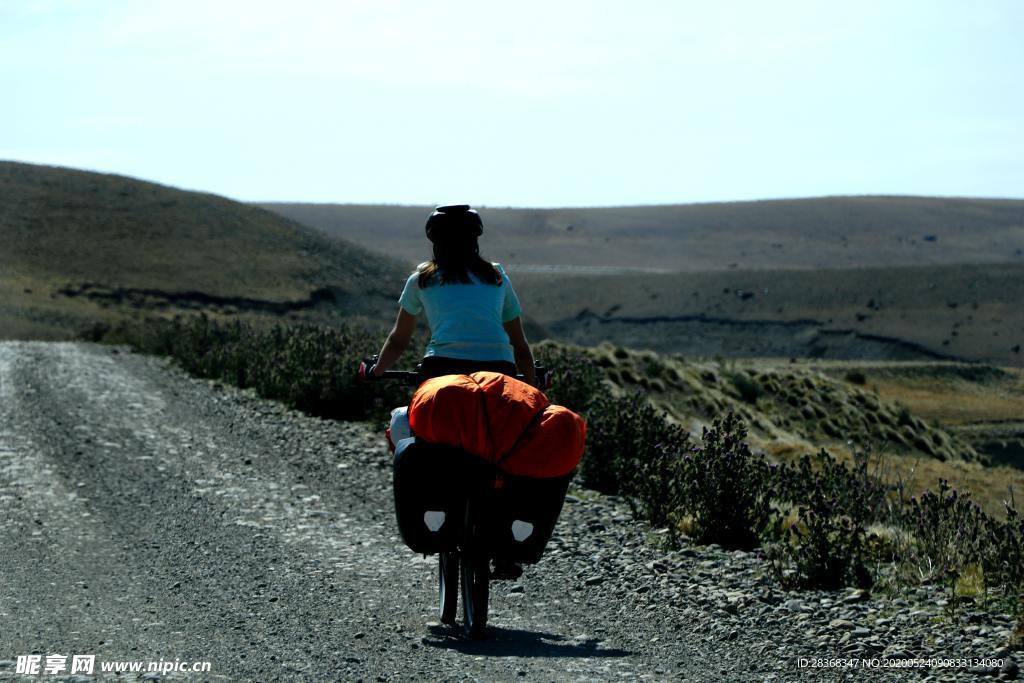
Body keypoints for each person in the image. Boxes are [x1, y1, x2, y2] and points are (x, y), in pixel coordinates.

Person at [369, 204, 536, 386]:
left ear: (436, 242)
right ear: (474, 240)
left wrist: (376, 370)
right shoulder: (497, 278)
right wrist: (531, 380)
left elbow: (398, 341)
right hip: (499, 368)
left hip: (441, 366)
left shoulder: (422, 280)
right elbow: (520, 346)